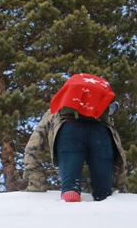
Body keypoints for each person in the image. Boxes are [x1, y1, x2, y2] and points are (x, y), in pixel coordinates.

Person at [23, 73, 127, 202]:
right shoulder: (103, 117)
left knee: (71, 189)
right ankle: (103, 205)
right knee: (104, 194)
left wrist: (35, 180)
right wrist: (121, 186)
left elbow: (35, 144)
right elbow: (119, 150)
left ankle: (69, 210)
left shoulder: (55, 111)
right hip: (100, 134)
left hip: (69, 132)